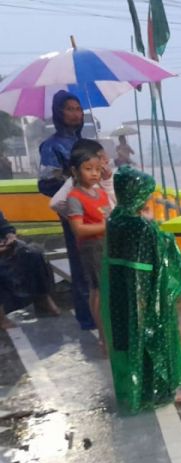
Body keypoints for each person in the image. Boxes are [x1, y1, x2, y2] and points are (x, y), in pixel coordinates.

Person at [102, 166, 181, 412]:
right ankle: (157, 392)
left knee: (129, 341)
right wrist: (162, 234)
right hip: (147, 293)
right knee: (153, 338)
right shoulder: (142, 227)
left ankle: (134, 388)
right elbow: (162, 257)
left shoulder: (114, 219)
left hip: (121, 293)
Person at [38, 90, 95, 330]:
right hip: (74, 211)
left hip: (96, 208)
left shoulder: (86, 143)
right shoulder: (51, 146)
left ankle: (103, 311)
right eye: (70, 109)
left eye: (78, 109)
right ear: (59, 113)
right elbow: (45, 183)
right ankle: (88, 316)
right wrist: (73, 179)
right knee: (81, 263)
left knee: (98, 260)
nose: (75, 114)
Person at [66, 139, 111, 350]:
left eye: (96, 168)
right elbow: (79, 229)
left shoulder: (100, 192)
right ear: (75, 171)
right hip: (92, 248)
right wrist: (106, 226)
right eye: (88, 169)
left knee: (105, 290)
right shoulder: (74, 197)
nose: (94, 173)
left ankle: (108, 332)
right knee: (98, 291)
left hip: (106, 245)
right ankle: (103, 337)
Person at [0, 210, 59, 329]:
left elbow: (5, 226)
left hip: (3, 245)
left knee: (33, 253)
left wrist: (10, 236)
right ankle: (1, 317)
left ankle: (42, 298)